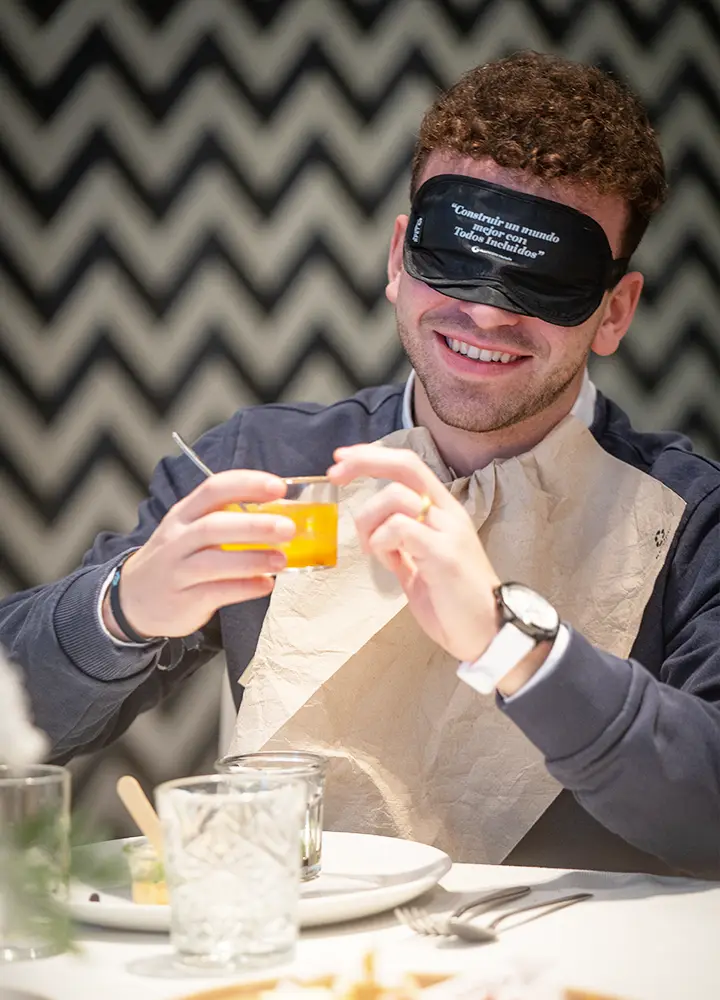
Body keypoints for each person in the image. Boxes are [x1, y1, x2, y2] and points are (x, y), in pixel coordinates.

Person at [2, 52, 719, 878]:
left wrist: (511, 641)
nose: (486, 310)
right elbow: (12, 719)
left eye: (544, 280)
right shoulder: (263, 465)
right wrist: (120, 611)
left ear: (615, 312)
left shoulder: (693, 520)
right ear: (397, 258)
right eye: (454, 254)